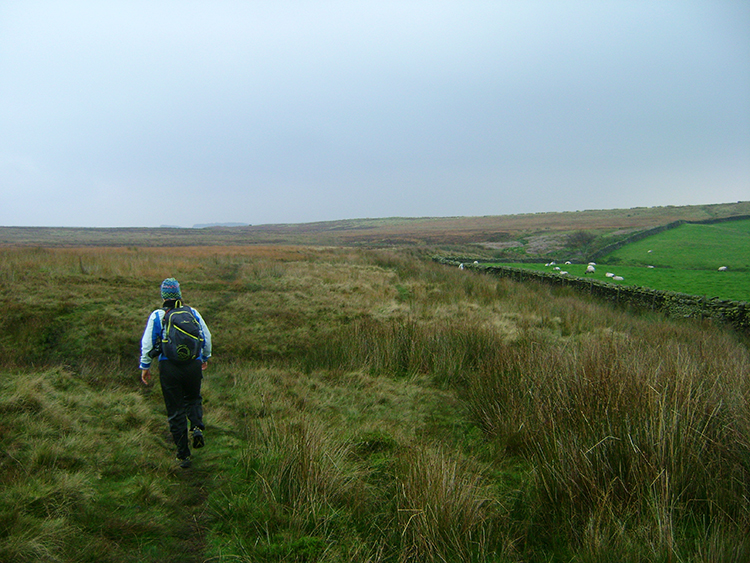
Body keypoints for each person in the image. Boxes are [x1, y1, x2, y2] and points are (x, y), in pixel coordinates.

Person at [140, 278, 212, 469]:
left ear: (163, 295)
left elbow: (147, 344)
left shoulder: (157, 316)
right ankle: (196, 427)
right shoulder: (192, 312)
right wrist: (204, 357)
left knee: (175, 410)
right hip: (193, 364)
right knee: (193, 398)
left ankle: (183, 455)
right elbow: (207, 336)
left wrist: (145, 366)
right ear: (179, 294)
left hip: (169, 367)